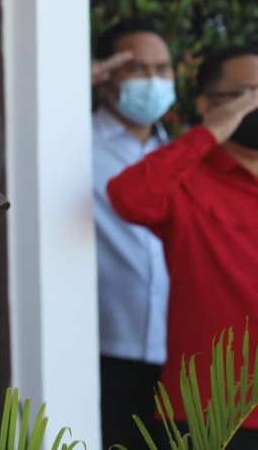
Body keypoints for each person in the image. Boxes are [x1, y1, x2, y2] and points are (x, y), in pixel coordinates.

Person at [108, 45, 258, 448]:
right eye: (249, 94)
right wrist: (207, 135)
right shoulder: (187, 179)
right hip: (211, 413)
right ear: (211, 104)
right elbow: (128, 195)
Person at [89, 19, 174, 450]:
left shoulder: (179, 153)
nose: (154, 81)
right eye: (137, 69)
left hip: (176, 352)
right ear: (106, 74)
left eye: (163, 69)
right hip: (106, 349)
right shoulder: (75, 141)